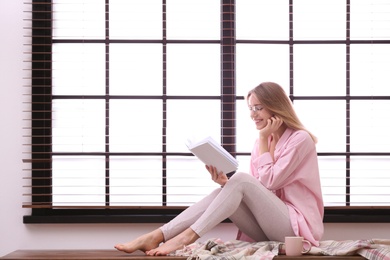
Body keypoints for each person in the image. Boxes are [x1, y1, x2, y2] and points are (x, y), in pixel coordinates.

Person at [114, 81, 324, 256]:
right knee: (223, 189)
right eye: (250, 108)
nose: (253, 114)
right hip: (268, 228)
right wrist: (227, 184)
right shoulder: (260, 143)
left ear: (276, 107)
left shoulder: (300, 139)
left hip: (296, 231)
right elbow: (261, 189)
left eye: (258, 107)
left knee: (240, 179)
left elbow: (271, 181)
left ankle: (186, 237)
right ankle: (157, 235)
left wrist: (262, 140)